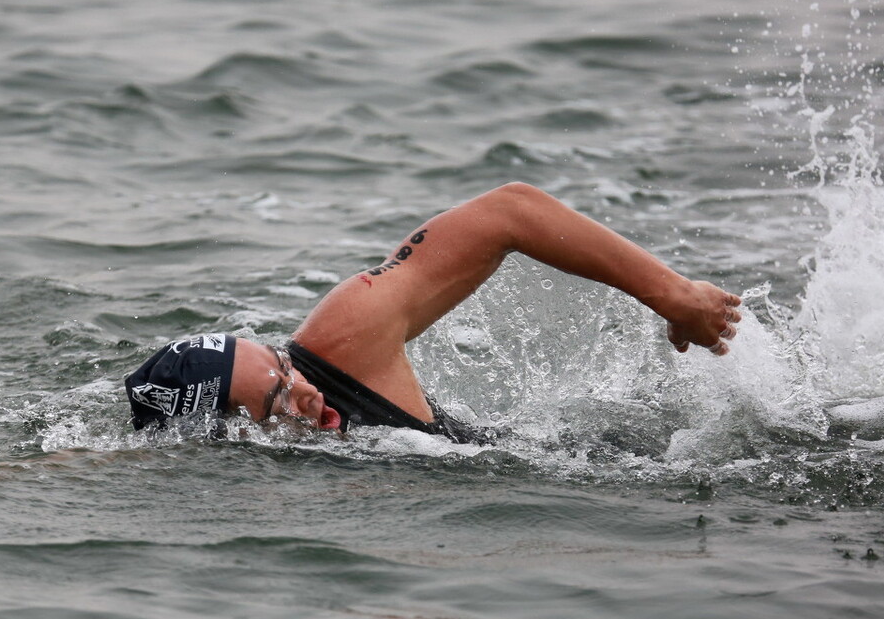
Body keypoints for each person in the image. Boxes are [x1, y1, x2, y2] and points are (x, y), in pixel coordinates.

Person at [125, 183, 742, 441]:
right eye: (277, 406)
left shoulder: (346, 342)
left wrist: (674, 294)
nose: (308, 396)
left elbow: (511, 211)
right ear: (223, 437)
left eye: (286, 372)